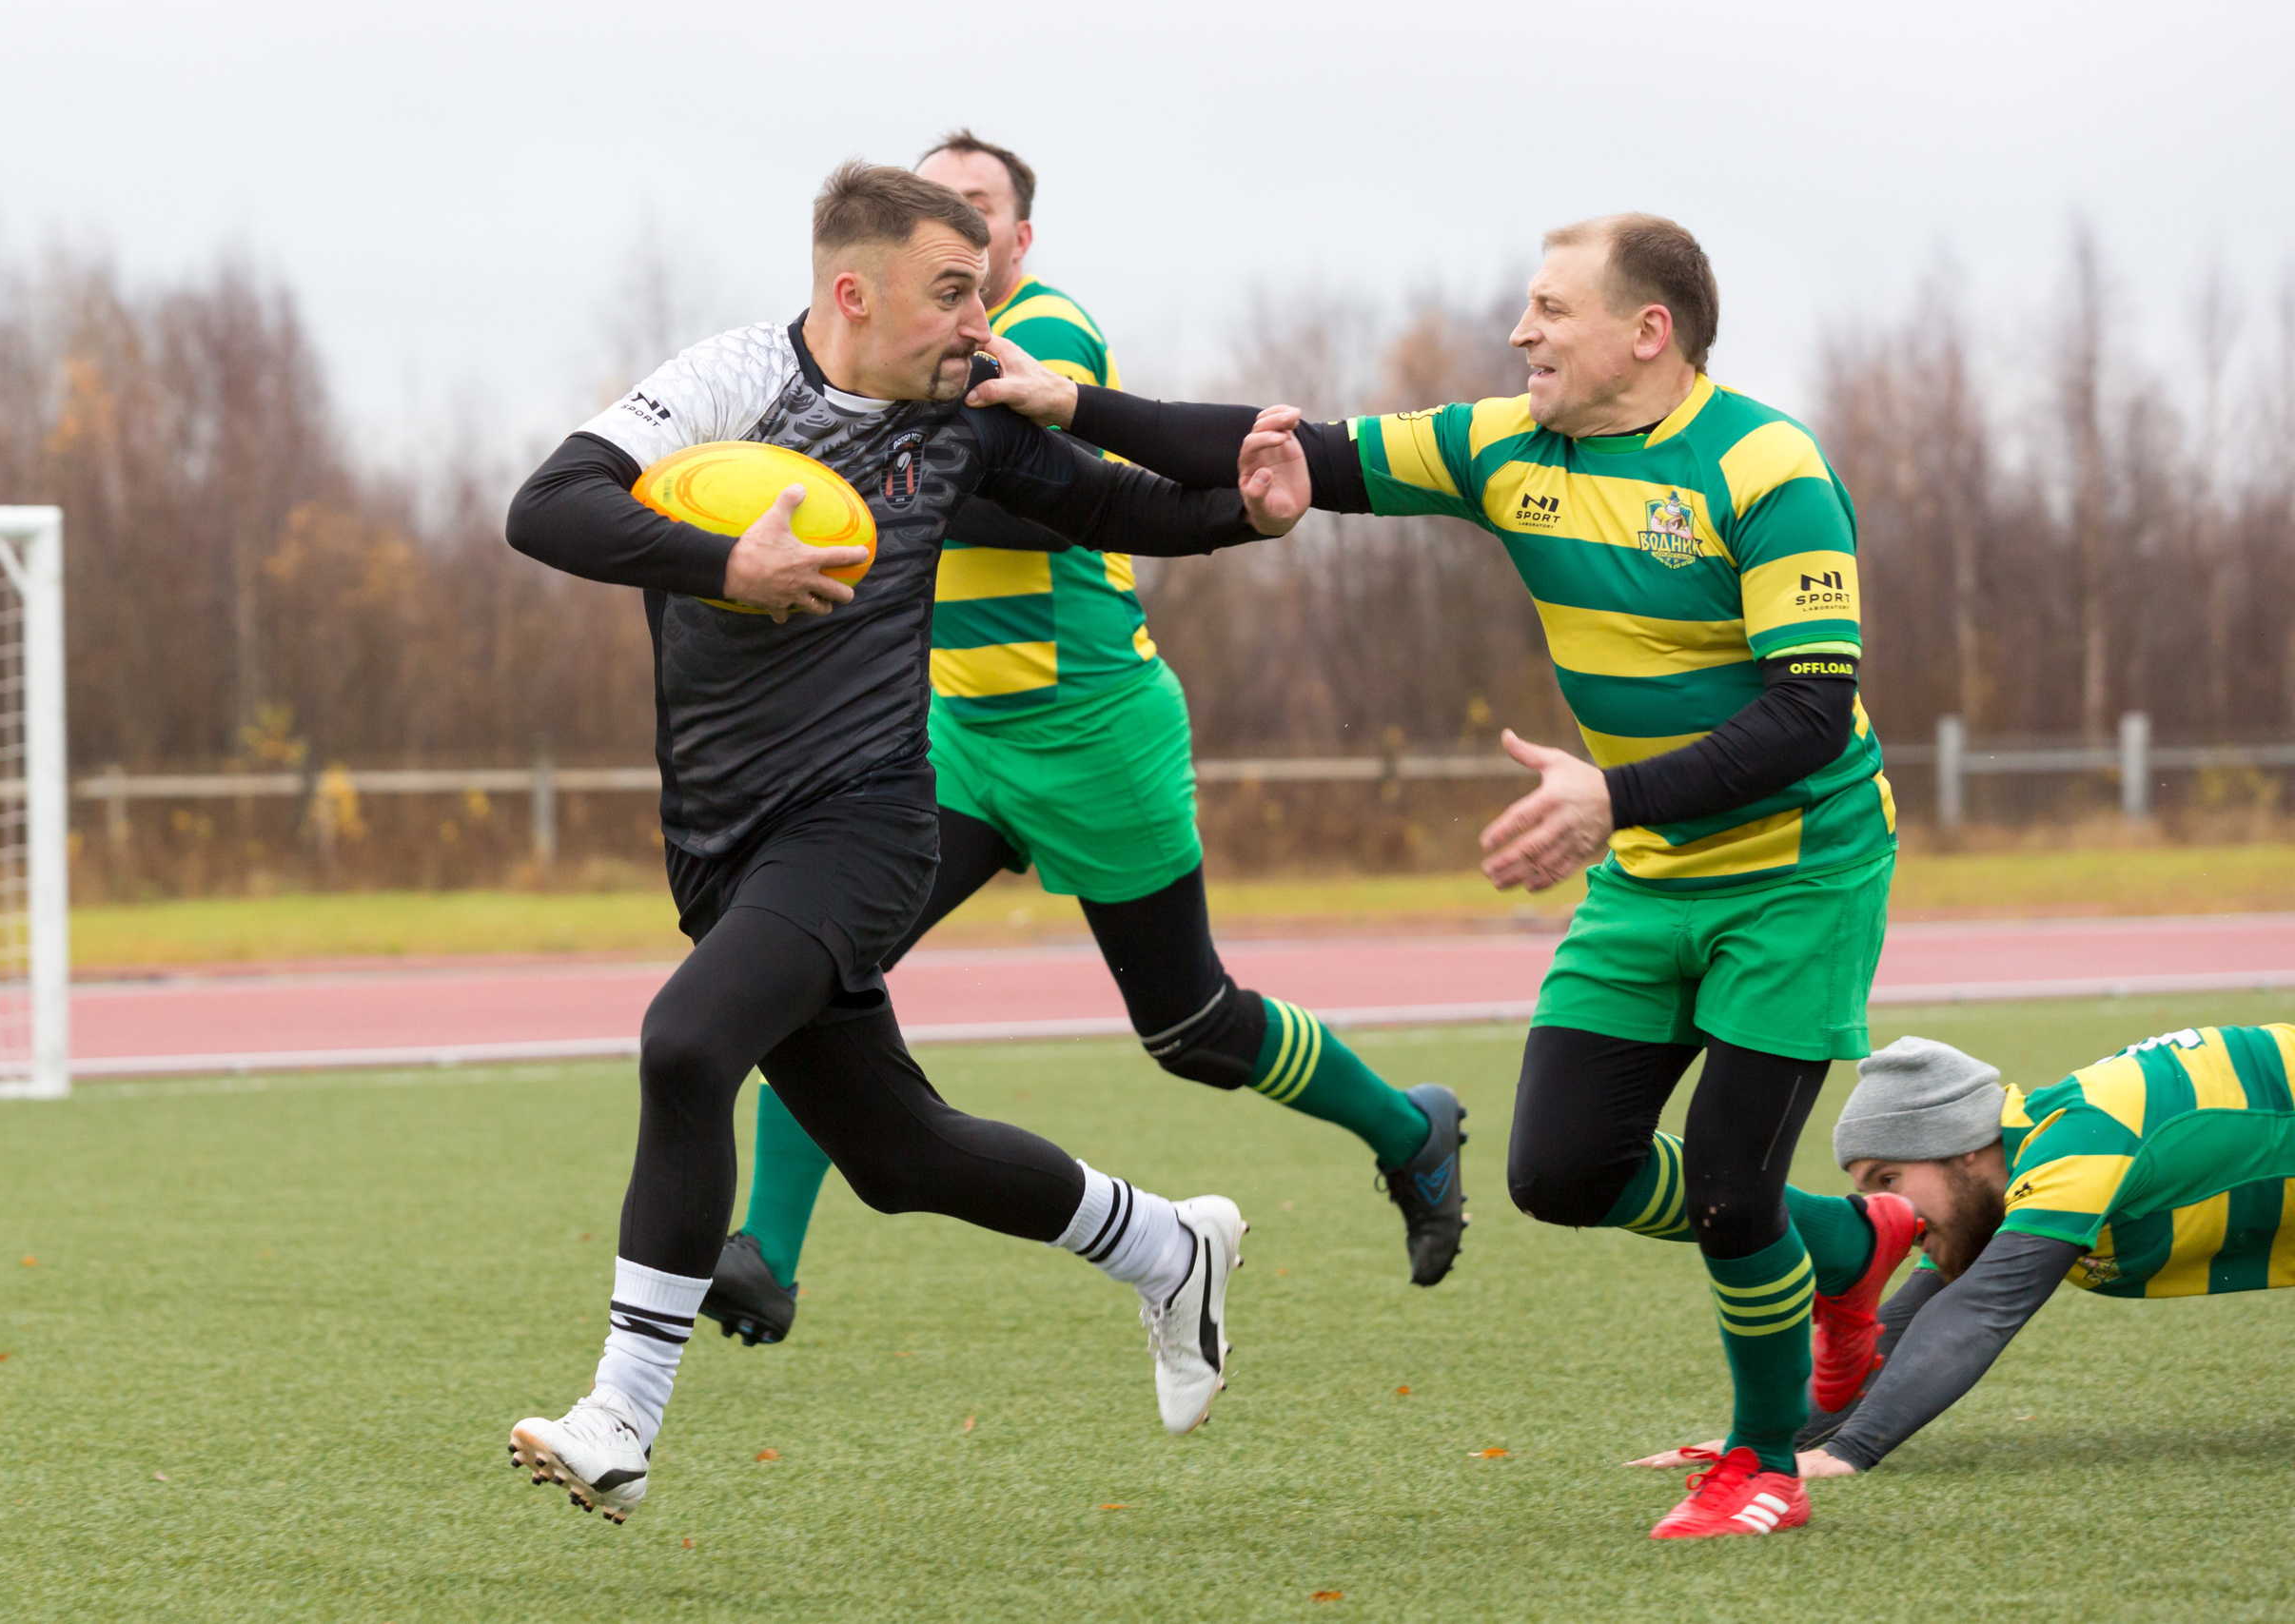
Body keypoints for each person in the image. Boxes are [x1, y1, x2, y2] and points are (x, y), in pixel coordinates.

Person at [971, 212, 1903, 1539]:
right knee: (1563, 1173)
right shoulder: (1504, 445)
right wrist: (1072, 400)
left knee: (1726, 1185)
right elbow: (1298, 448)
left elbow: (1813, 709)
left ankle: (1761, 1458)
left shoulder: (1768, 465)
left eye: (1551, 310)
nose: (1522, 332)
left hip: (1800, 870)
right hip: (1643, 867)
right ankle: (1849, 1244)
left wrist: (1609, 796)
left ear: (1649, 331)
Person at [496, 161, 1295, 1524]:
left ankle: (621, 1414)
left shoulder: (972, 417)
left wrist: (1247, 507)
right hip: (720, 838)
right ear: (852, 291)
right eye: (951, 293)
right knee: (901, 1153)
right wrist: (723, 564)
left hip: (866, 819)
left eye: (984, 292)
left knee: (690, 1042)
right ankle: (1169, 1244)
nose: (980, 324)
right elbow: (548, 505)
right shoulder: (734, 378)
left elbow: (1121, 509)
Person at [704, 130, 1465, 1350]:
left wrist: (873, 480)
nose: (954, 226)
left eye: (977, 206)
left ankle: (1408, 1128)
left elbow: (1026, 491)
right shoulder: (892, 355)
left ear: (1018, 238)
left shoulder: (1039, 332)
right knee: (820, 966)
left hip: (1093, 727)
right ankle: (765, 1259)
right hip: (956, 736)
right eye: (930, 206)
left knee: (1194, 1029)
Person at [1635, 1025, 2295, 1481]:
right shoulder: (2015, 1172)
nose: (1887, 1213)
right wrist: (1765, 1439)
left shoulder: (2081, 1136)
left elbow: (1983, 1308)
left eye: (1888, 1180)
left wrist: (1851, 1452)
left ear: (1965, 1147)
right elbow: (1903, 1322)